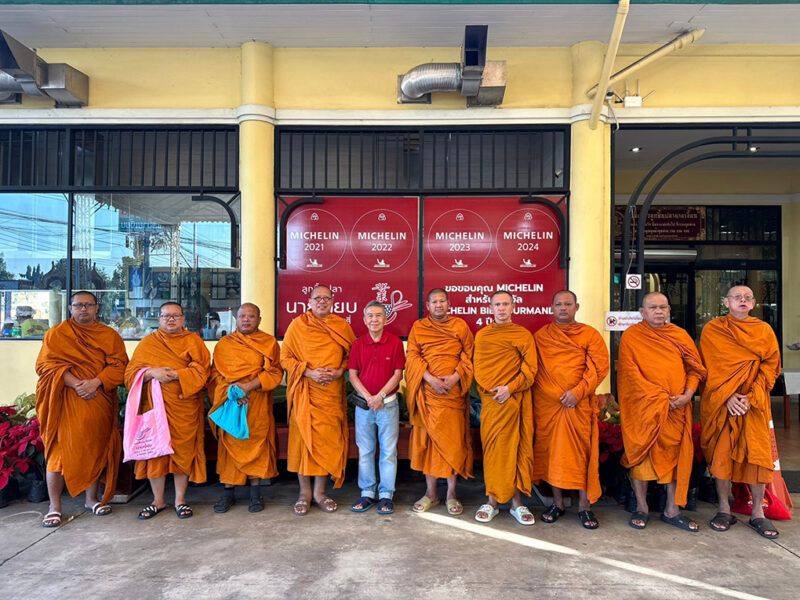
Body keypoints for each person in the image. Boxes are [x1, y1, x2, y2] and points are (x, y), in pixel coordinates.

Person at [35, 291, 128, 527]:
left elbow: (119, 366)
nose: (83, 309)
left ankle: (91, 499)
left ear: (97, 308)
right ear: (70, 308)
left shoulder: (109, 335)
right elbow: (46, 366)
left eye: (88, 305)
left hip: (96, 397)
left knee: (94, 448)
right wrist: (77, 384)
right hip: (64, 399)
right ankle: (54, 506)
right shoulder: (56, 334)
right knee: (57, 454)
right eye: (79, 305)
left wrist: (95, 382)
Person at [617, 292, 707, 532]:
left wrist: (688, 395)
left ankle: (672, 510)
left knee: (676, 458)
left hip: (678, 408)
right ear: (642, 312)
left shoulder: (679, 335)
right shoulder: (632, 337)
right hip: (644, 409)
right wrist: (659, 399)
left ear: (669, 311)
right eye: (653, 307)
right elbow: (629, 375)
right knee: (641, 455)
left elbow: (696, 369)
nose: (658, 311)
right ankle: (642, 507)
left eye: (663, 307)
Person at [700, 285, 782, 538]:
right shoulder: (713, 330)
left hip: (753, 404)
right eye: (737, 297)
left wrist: (751, 396)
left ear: (754, 303)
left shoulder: (763, 330)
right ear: (726, 302)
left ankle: (758, 512)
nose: (742, 301)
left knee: (757, 456)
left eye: (747, 298)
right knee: (722, 456)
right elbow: (708, 369)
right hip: (724, 404)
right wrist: (728, 397)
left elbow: (771, 366)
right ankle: (724, 508)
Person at [126, 301, 211, 520]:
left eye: (175, 316)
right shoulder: (147, 343)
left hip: (184, 405)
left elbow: (203, 371)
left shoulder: (194, 341)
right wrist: (152, 372)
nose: (171, 319)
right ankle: (158, 500)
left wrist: (177, 375)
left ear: (183, 319)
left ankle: (180, 500)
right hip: (155, 407)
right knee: (156, 453)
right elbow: (129, 375)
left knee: (181, 452)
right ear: (159, 319)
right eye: (166, 316)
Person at [533, 290, 609, 529]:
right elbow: (536, 371)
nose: (563, 308)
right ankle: (558, 503)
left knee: (581, 456)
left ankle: (585, 506)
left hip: (579, 405)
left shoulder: (589, 335)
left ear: (577, 307)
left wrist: (578, 392)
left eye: (568, 304)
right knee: (554, 456)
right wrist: (557, 395)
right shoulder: (541, 336)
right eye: (558, 304)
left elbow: (599, 368)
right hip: (550, 407)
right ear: (551, 308)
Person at [280, 285, 356, 515]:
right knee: (304, 441)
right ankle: (304, 493)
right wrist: (307, 372)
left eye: (326, 298)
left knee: (326, 442)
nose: (322, 301)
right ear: (309, 301)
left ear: (333, 301)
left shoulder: (341, 326)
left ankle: (320, 493)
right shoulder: (298, 325)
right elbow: (285, 357)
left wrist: (339, 371)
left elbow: (352, 355)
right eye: (317, 298)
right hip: (304, 390)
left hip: (330, 392)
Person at [209, 303, 283, 514]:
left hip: (257, 402)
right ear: (236, 319)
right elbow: (215, 376)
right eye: (242, 316)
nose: (246, 320)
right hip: (230, 403)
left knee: (256, 443)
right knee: (229, 444)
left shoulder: (269, 343)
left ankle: (255, 493)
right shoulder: (224, 344)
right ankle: (228, 491)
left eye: (251, 316)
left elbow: (275, 373)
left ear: (259, 320)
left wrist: (249, 387)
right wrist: (232, 391)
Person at [406, 288, 474, 515]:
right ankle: (431, 493)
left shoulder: (460, 326)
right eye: (434, 302)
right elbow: (413, 357)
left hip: (453, 396)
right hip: (428, 395)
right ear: (428, 305)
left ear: (448, 303)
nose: (438, 305)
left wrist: (455, 377)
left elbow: (468, 355)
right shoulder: (419, 327)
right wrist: (430, 379)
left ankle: (452, 494)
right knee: (429, 445)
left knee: (453, 443)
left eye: (442, 301)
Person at [473, 291, 537, 526]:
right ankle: (491, 501)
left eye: (505, 304)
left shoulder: (523, 335)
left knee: (516, 449)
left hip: (516, 401)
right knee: (494, 452)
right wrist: (496, 392)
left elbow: (531, 369)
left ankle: (516, 503)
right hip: (492, 403)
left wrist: (510, 389)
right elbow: (479, 371)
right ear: (490, 307)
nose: (501, 308)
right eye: (497, 304)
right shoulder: (482, 336)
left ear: (513, 307)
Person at [348, 301, 405, 515]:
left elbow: (398, 373)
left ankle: (386, 495)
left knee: (388, 451)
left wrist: (380, 396)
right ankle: (367, 493)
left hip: (388, 405)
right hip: (364, 407)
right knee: (365, 450)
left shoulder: (395, 343)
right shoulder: (358, 344)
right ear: (364, 319)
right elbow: (353, 374)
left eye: (379, 315)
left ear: (386, 318)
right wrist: (368, 397)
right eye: (370, 316)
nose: (374, 319)